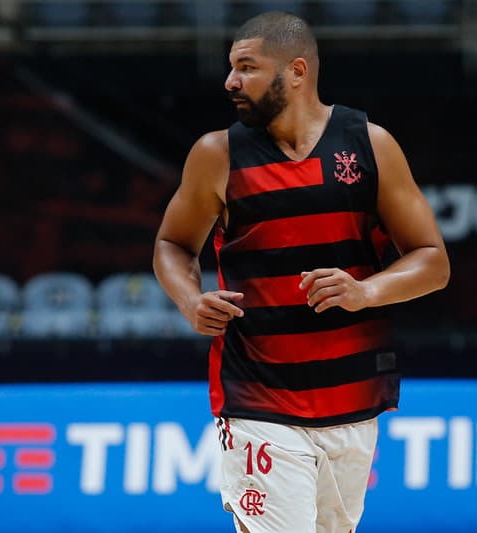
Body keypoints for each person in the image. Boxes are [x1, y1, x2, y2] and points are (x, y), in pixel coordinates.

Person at [153, 11, 450, 533]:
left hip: (352, 399)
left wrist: (365, 291)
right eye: (231, 67)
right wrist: (188, 298)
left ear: (295, 71)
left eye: (246, 67)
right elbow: (172, 244)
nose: (230, 81)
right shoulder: (216, 155)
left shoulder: (369, 144)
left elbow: (432, 261)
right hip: (257, 393)